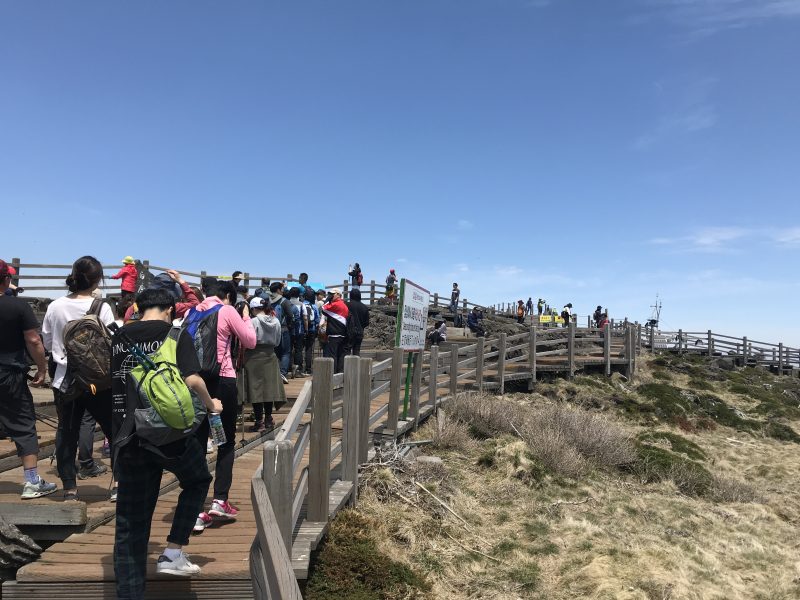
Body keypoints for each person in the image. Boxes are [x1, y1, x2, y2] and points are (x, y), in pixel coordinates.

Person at [111, 288, 223, 595]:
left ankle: (130, 594)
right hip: (169, 436)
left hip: (129, 436)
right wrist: (210, 402)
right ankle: (173, 551)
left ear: (137, 308)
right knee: (198, 479)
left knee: (130, 525)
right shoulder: (174, 335)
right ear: (171, 310)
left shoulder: (119, 338)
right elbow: (192, 379)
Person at [42, 256, 115, 500]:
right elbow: (112, 342)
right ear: (96, 280)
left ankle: (70, 488)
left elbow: (47, 342)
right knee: (112, 428)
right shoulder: (102, 307)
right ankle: (120, 484)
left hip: (65, 379)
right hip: (99, 381)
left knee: (67, 432)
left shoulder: (55, 306)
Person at [187, 280, 255, 525]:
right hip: (222, 381)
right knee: (224, 441)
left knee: (197, 441)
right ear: (227, 295)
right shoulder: (227, 310)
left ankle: (194, 507)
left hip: (195, 382)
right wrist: (245, 317)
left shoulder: (191, 312)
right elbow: (250, 341)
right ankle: (219, 500)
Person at [0, 259, 57, 499]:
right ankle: (32, 481)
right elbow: (34, 340)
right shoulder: (18, 307)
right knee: (23, 425)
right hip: (9, 373)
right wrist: (42, 370)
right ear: (6, 279)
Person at [244, 297, 284, 433]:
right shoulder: (276, 321)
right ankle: (268, 418)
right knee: (269, 389)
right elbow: (278, 341)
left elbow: (248, 340)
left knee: (256, 389)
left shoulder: (253, 321)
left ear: (253, 309)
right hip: (270, 355)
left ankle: (259, 421)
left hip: (254, 356)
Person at [123, 270, 200, 322]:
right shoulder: (172, 308)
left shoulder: (134, 307)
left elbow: (126, 322)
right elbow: (195, 304)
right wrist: (180, 281)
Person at [269, 282, 295, 383]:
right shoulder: (285, 301)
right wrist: (289, 326)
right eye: (282, 289)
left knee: (275, 352)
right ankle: (282, 374)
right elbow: (290, 316)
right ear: (279, 290)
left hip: (271, 330)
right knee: (285, 353)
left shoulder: (268, 300)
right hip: (283, 329)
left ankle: (274, 373)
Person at [322, 289, 349, 373]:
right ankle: (340, 372)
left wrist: (327, 300)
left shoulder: (336, 304)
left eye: (332, 294)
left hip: (334, 334)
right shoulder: (344, 304)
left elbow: (323, 309)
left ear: (338, 294)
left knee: (333, 355)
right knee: (340, 354)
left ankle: (333, 374)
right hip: (342, 333)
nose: (330, 295)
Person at [345, 288, 369, 356]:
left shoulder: (347, 305)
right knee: (356, 351)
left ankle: (346, 366)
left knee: (346, 351)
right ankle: (356, 366)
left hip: (348, 332)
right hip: (359, 332)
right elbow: (366, 322)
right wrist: (361, 326)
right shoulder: (364, 307)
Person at [301, 288, 320, 375]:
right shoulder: (314, 307)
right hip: (311, 330)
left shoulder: (302, 305)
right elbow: (317, 320)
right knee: (309, 349)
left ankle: (299, 367)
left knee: (299, 348)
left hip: (302, 330)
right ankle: (308, 368)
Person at [287, 287, 304, 378]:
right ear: (299, 295)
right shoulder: (301, 304)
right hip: (299, 330)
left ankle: (288, 368)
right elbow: (304, 317)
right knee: (298, 350)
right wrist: (306, 329)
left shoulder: (286, 303)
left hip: (288, 330)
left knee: (288, 350)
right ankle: (298, 369)